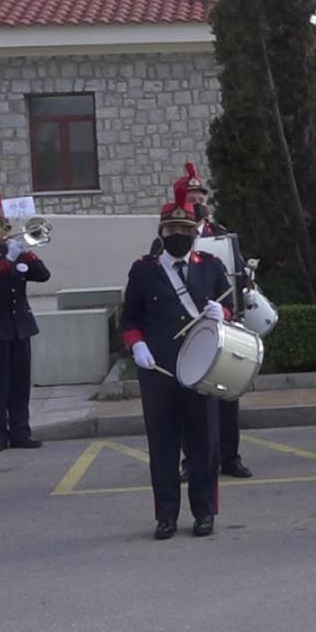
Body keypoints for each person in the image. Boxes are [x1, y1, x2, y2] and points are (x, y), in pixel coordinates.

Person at [121, 184, 230, 539]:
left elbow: (231, 307)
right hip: (160, 371)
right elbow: (130, 320)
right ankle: (165, 515)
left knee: (205, 445)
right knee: (163, 446)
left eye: (185, 231)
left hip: (202, 369)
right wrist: (137, 346)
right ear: (161, 233)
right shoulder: (143, 270)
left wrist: (222, 313)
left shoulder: (210, 267)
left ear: (194, 234)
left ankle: (204, 512)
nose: (179, 236)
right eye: (172, 231)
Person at [175, 163, 253, 479]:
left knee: (226, 393)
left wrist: (245, 285)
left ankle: (229, 457)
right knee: (189, 400)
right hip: (188, 330)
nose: (198, 202)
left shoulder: (222, 235)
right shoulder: (169, 237)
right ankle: (191, 460)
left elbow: (237, 273)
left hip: (221, 324)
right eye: (192, 197)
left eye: (201, 196)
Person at [0, 191, 49, 452]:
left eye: (5, 228)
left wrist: (27, 253)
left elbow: (43, 276)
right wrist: (7, 260)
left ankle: (21, 431)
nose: (3, 234)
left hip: (20, 325)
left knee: (20, 382)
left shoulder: (17, 253)